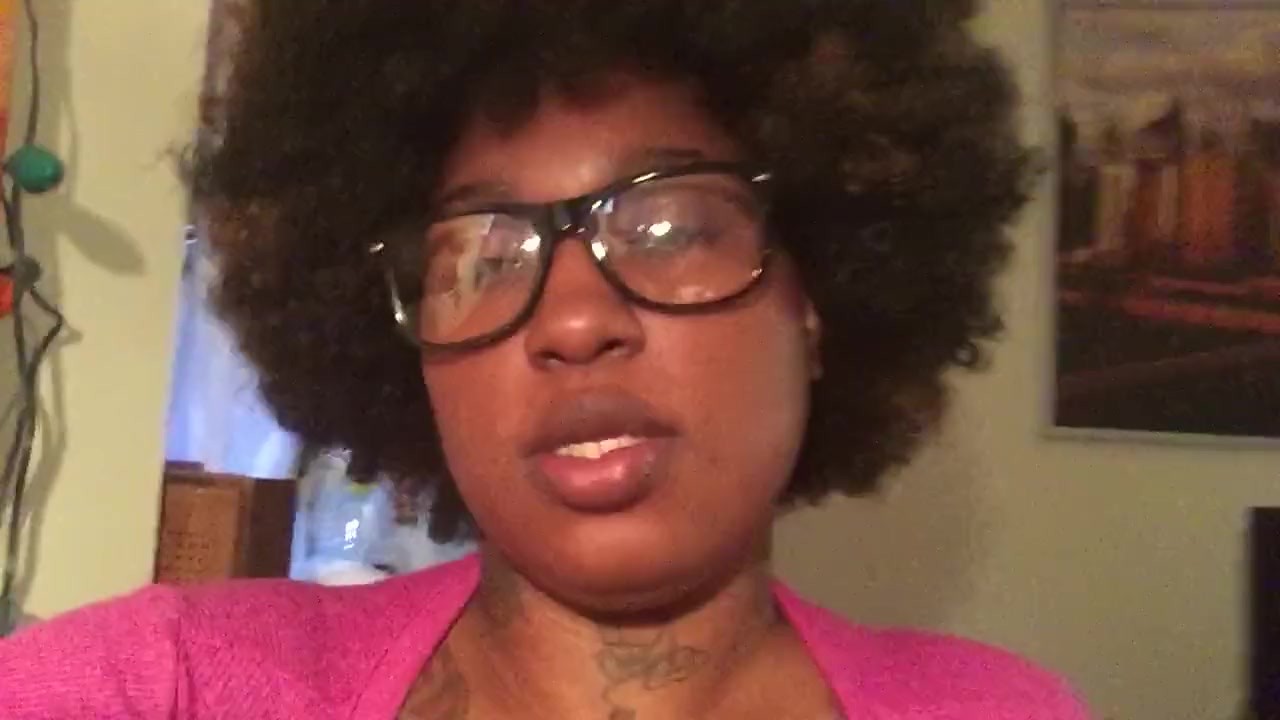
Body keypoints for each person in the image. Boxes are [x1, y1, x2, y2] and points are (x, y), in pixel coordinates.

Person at [0, 2, 1092, 718]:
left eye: (670, 227)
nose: (572, 321)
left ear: (816, 302)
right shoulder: (164, 688)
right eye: (480, 254)